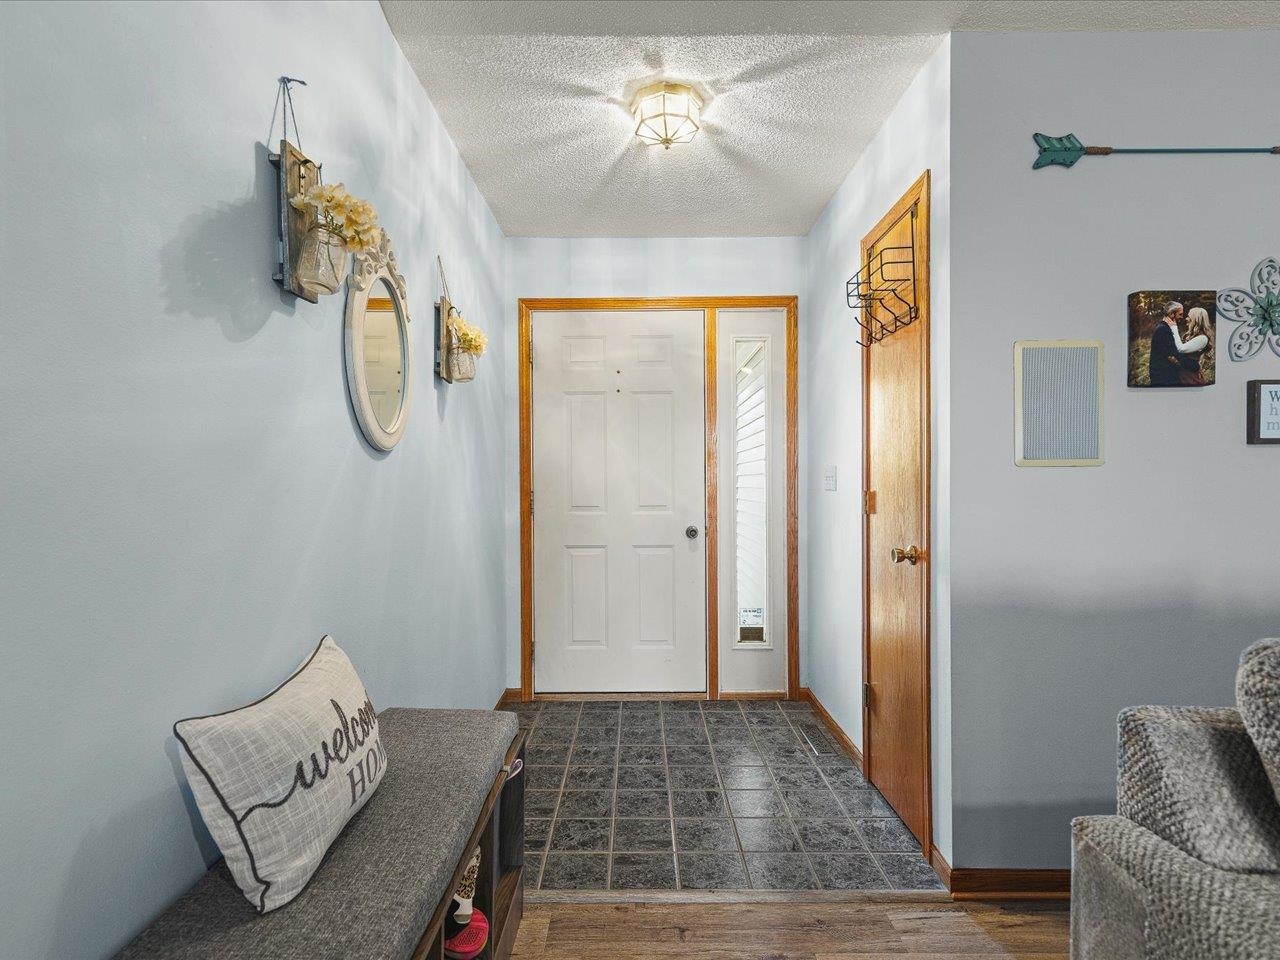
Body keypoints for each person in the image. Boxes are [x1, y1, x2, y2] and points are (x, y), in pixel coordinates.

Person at [1148, 301, 1185, 386]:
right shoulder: (1163, 329)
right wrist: (1192, 366)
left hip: (1165, 374)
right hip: (1163, 377)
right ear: (1171, 314)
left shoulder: (1164, 327)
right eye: (1180, 314)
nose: (1182, 317)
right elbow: (1173, 354)